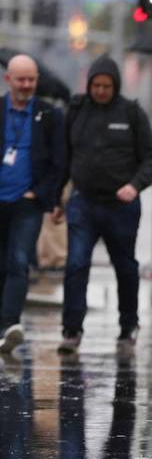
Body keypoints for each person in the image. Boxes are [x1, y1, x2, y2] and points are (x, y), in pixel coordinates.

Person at [55, 54, 152, 354]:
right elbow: (64, 158)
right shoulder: (76, 112)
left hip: (121, 207)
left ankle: (128, 327)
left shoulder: (131, 113)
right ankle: (71, 330)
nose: (101, 91)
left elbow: (151, 158)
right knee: (75, 265)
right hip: (83, 203)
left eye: (107, 85)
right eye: (96, 85)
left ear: (116, 85)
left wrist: (135, 186)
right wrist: (57, 198)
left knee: (125, 268)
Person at [0, 55, 65, 353]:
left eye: (31, 79)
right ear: (8, 80)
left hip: (27, 203)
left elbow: (59, 161)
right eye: (20, 79)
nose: (26, 85)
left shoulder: (49, 115)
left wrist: (41, 194)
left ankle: (9, 323)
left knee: (18, 260)